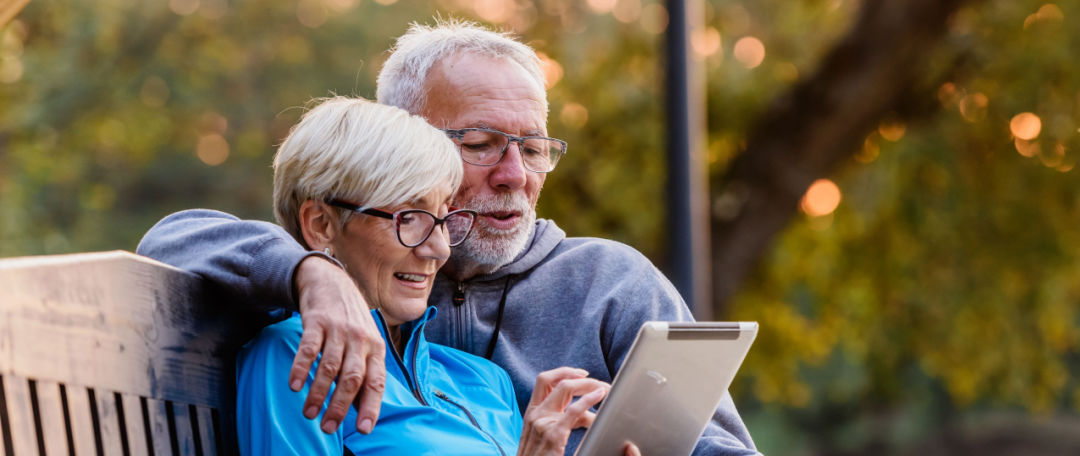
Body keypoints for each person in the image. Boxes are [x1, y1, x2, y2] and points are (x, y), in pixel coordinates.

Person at [138, 19, 757, 455]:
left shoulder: (609, 285)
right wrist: (313, 275)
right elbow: (176, 238)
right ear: (408, 142)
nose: (515, 175)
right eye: (482, 145)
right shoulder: (333, 278)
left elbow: (715, 445)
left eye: (534, 149)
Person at [237, 96, 613, 455]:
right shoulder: (296, 354)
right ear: (321, 225)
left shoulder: (484, 380)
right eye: (409, 218)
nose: (439, 249)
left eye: (443, 220)